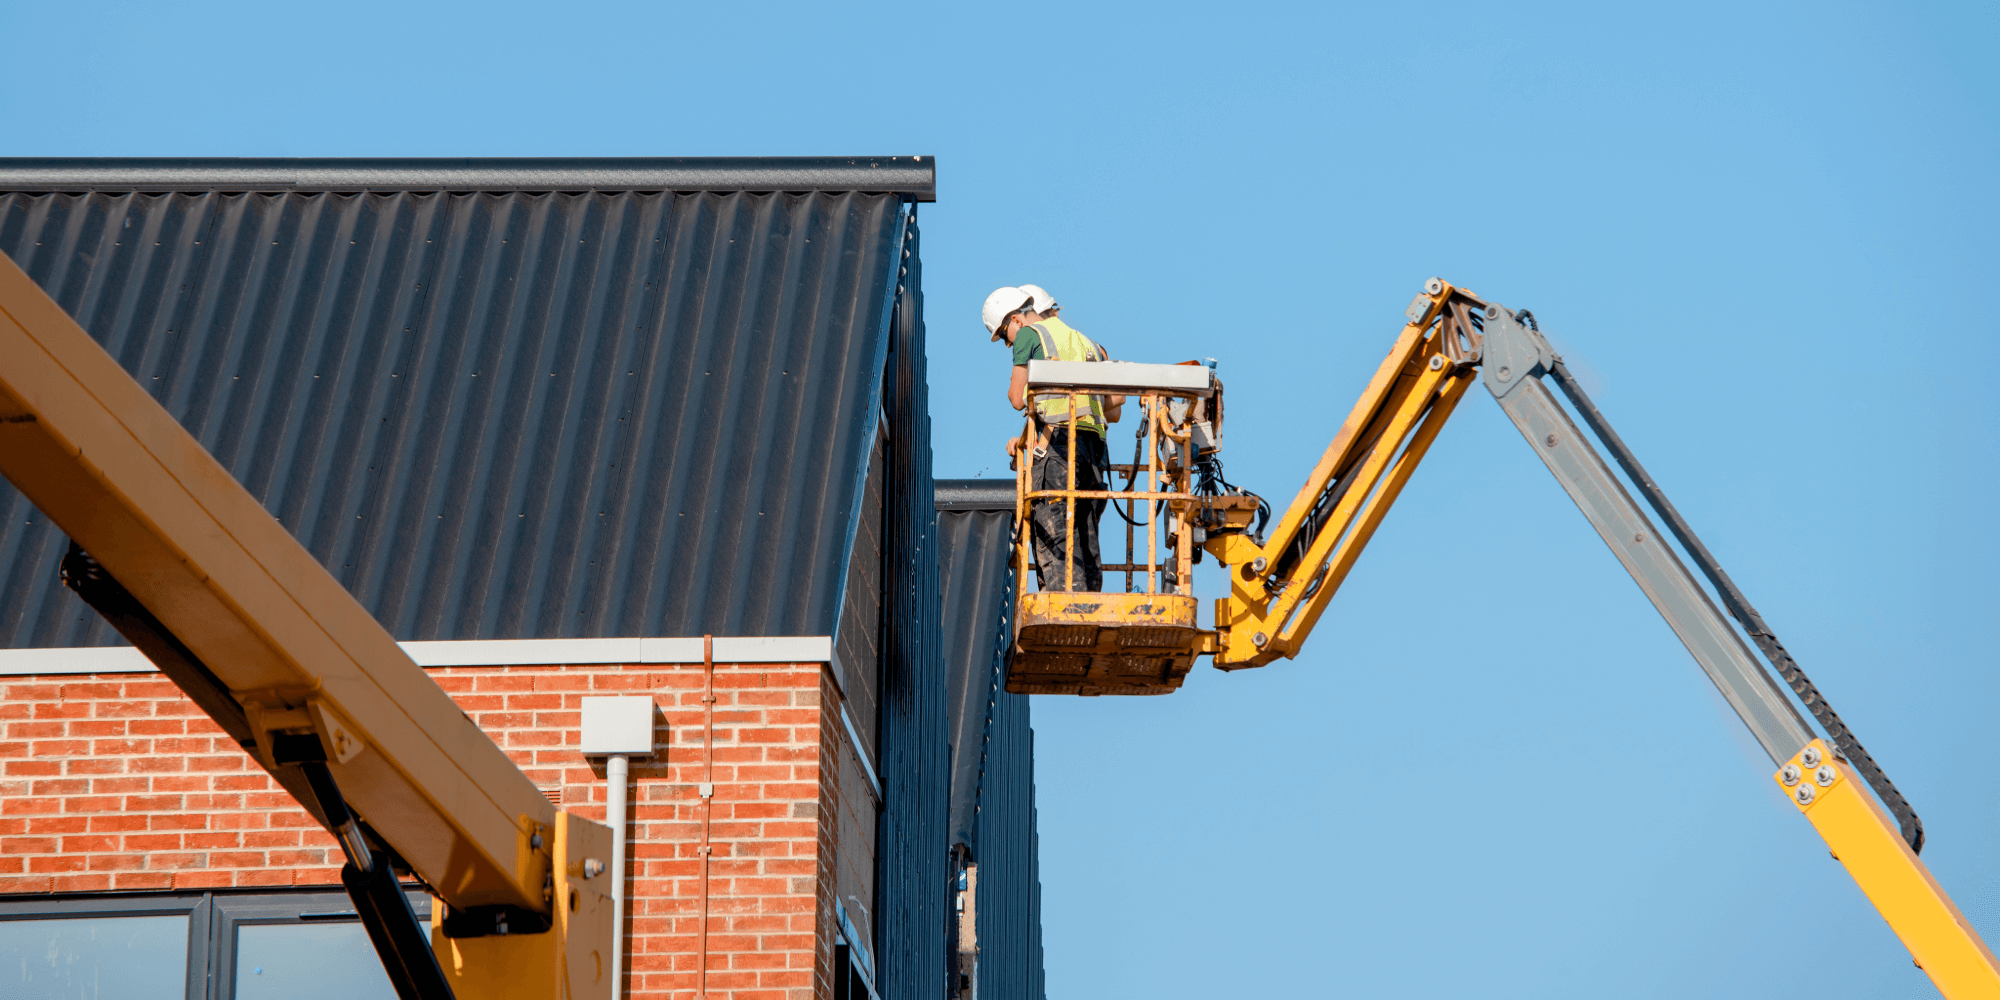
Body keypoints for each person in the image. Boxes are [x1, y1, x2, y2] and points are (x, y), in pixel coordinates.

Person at [981, 285, 1123, 591]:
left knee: (1056, 531)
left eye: (1006, 338)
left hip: (1059, 447)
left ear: (1015, 321)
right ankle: (1090, 604)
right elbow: (1114, 409)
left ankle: (1065, 607)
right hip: (1096, 451)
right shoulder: (1090, 344)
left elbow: (1017, 399)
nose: (1009, 345)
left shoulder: (1031, 335)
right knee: (1086, 534)